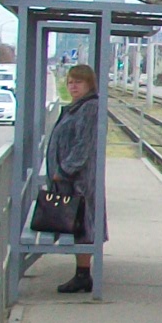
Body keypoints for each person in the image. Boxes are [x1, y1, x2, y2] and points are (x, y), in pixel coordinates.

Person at [45, 64, 104, 293]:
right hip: (69, 180)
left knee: (83, 226)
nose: (73, 86)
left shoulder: (89, 108)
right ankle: (82, 274)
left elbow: (84, 144)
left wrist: (65, 170)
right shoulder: (77, 107)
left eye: (78, 82)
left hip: (78, 182)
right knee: (79, 227)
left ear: (89, 84)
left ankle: (83, 276)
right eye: (70, 82)